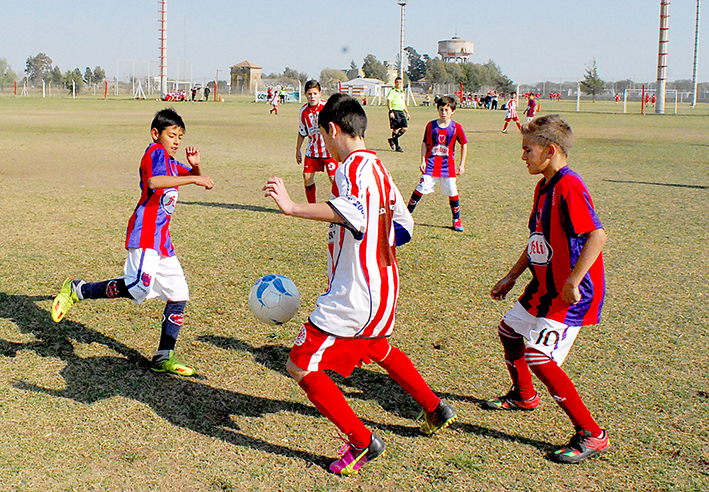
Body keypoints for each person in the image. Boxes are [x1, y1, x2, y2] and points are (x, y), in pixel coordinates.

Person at [262, 93, 456, 476]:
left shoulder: (349, 168)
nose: (325, 145)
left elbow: (350, 213)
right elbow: (404, 225)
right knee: (378, 347)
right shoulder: (380, 169)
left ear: (333, 130)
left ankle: (362, 441)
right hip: (385, 286)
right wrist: (370, 245)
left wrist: (292, 207)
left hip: (355, 295)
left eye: (324, 136)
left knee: (300, 365)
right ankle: (435, 407)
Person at [51, 108, 215, 376]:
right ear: (155, 134)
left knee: (178, 293)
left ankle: (164, 356)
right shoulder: (155, 152)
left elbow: (187, 176)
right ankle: (77, 290)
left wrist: (195, 166)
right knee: (139, 286)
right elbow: (154, 181)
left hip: (162, 240)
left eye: (180, 137)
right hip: (145, 232)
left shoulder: (172, 160)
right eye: (171, 135)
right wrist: (195, 177)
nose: (176, 141)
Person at [486, 114, 609, 464]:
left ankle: (592, 434)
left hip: (569, 294)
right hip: (543, 286)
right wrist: (512, 276)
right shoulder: (544, 186)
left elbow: (597, 235)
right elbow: (538, 239)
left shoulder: (569, 186)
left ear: (550, 150)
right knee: (509, 331)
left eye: (528, 150)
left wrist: (573, 280)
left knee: (539, 356)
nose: (523, 157)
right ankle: (524, 396)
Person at [407, 96, 468, 232]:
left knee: (452, 190)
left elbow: (464, 144)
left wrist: (462, 164)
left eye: (447, 110)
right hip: (431, 164)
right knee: (421, 187)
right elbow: (424, 143)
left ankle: (456, 219)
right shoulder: (430, 126)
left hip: (448, 165)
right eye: (441, 109)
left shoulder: (456, 127)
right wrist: (422, 160)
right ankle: (406, 215)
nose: (444, 112)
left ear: (452, 111)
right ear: (437, 110)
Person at [296, 80, 338, 203]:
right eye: (309, 94)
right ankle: (312, 206)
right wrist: (298, 149)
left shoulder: (327, 107)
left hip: (328, 150)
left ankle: (340, 205)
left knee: (334, 178)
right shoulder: (303, 111)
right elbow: (302, 131)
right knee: (307, 176)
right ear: (305, 94)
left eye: (315, 93)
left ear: (320, 93)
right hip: (312, 150)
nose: (312, 96)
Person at [386, 77, 410, 152]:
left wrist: (407, 112)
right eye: (397, 82)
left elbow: (403, 103)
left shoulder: (402, 92)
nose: (398, 84)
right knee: (395, 129)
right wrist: (391, 111)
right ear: (395, 83)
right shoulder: (392, 91)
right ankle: (397, 147)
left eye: (400, 82)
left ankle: (392, 140)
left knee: (405, 128)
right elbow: (389, 101)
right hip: (395, 111)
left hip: (401, 112)